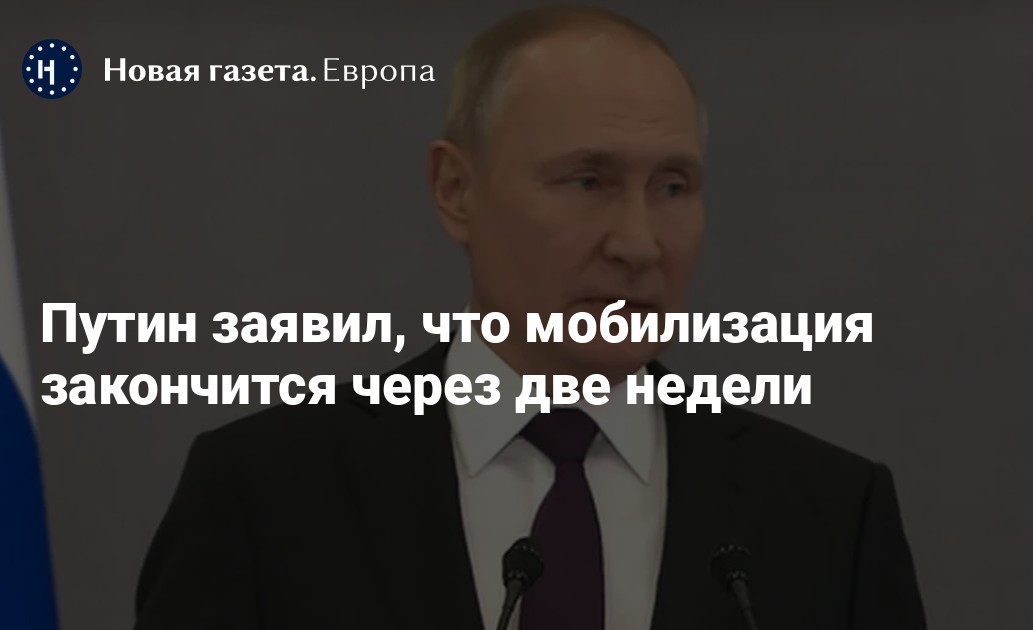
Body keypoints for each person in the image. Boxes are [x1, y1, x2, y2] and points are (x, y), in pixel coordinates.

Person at [133, 5, 926, 630]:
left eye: (673, 187)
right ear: (456, 190)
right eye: (587, 181)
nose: (639, 242)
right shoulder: (266, 497)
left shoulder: (830, 515)